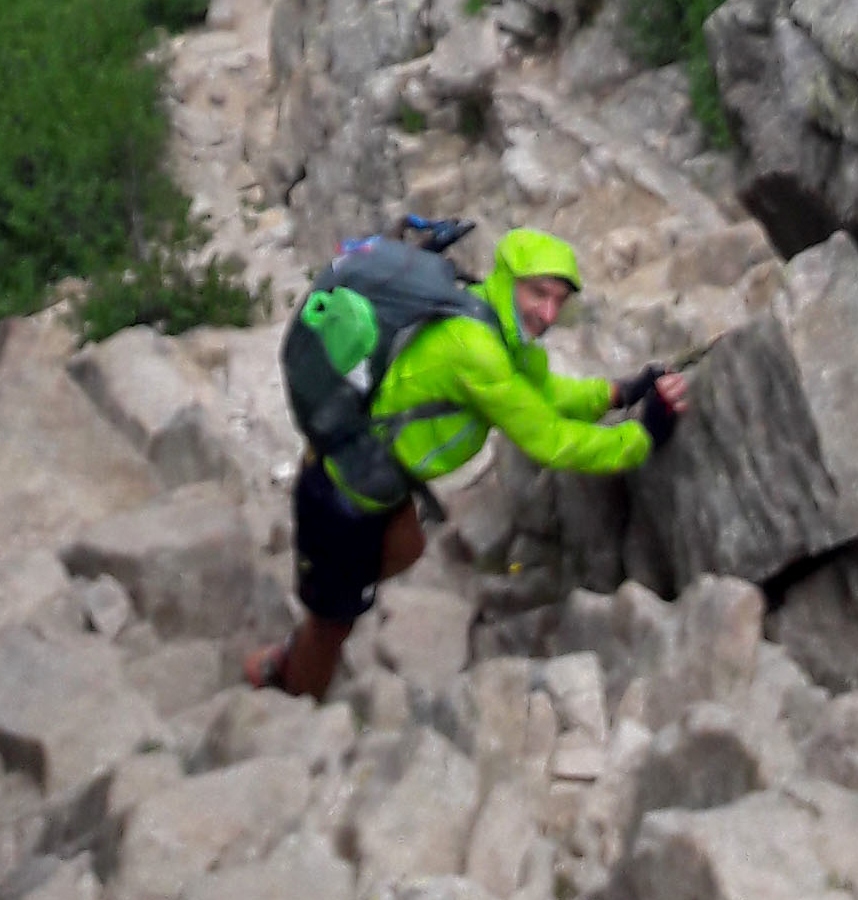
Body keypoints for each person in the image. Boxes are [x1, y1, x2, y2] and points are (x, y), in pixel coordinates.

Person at [251, 225, 690, 697]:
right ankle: (294, 688)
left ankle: (321, 614)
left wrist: (619, 391)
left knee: (407, 549)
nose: (547, 313)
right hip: (344, 495)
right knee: (332, 626)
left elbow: (543, 392)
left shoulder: (490, 318)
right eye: (538, 293)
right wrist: (643, 438)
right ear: (508, 280)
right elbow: (549, 440)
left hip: (377, 478)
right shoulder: (476, 351)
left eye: (558, 301)